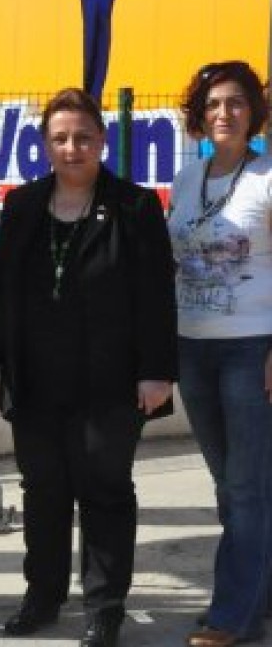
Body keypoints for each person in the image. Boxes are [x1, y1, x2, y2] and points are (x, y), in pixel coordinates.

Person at [0, 87, 176, 647]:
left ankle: (105, 607)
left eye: (83, 137)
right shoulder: (22, 205)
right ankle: (43, 596)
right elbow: (0, 289)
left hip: (111, 381)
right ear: (45, 144)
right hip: (35, 379)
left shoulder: (134, 207)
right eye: (60, 138)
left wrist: (157, 371)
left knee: (105, 490)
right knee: (44, 491)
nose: (72, 148)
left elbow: (156, 296)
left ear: (102, 140)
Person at [168, 60, 272, 647]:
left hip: (251, 348)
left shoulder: (268, 176)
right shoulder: (188, 180)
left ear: (253, 112)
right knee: (229, 483)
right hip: (193, 347)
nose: (223, 113)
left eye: (235, 102)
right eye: (212, 104)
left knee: (247, 486)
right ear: (199, 116)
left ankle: (234, 616)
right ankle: (257, 592)